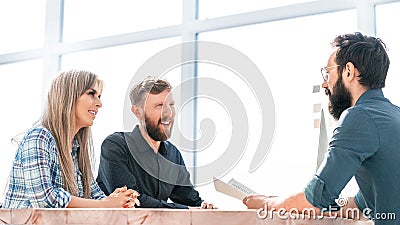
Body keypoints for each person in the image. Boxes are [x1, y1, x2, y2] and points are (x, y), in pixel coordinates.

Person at [243, 32, 400, 224]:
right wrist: (284, 202)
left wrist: (267, 203)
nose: (325, 83)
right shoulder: (393, 115)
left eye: (328, 73)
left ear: (349, 71)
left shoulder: (360, 117)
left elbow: (317, 200)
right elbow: (359, 206)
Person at [4, 70, 139, 208]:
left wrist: (120, 200)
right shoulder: (39, 137)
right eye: (92, 94)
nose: (99, 103)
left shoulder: (76, 150)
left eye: (99, 96)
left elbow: (96, 197)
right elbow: (44, 201)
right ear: (68, 96)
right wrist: (106, 204)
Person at [96, 77, 214, 209]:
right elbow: (131, 200)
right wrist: (188, 209)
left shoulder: (173, 154)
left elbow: (190, 200)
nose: (169, 113)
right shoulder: (115, 146)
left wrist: (204, 207)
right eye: (159, 106)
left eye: (171, 105)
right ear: (137, 112)